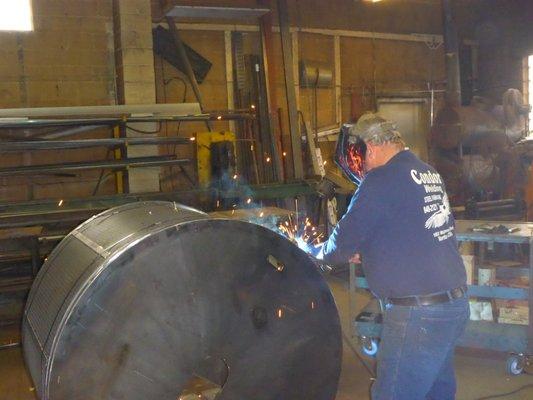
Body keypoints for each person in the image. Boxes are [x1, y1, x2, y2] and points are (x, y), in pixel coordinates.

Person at [316, 114, 469, 400]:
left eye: (361, 156)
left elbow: (340, 245)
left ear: (370, 148)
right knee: (436, 390)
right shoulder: (427, 172)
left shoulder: (380, 179)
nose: (362, 165)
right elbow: (415, 229)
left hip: (419, 315)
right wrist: (375, 250)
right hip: (453, 305)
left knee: (393, 393)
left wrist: (316, 253)